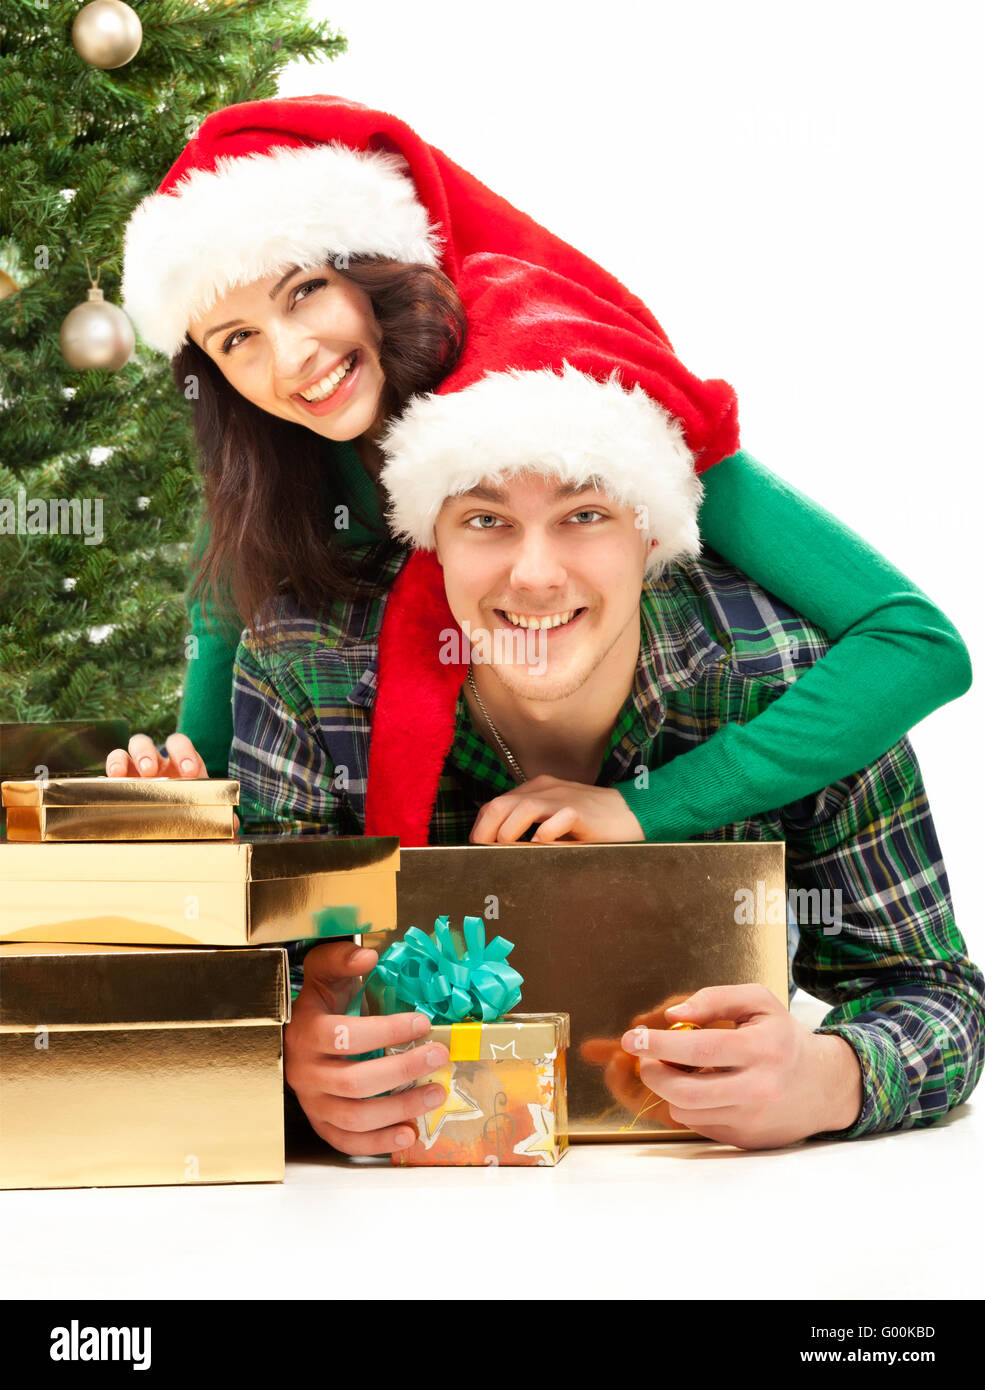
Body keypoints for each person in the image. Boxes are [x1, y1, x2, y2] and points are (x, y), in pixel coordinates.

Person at [107, 94, 971, 853]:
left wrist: (649, 807)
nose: (292, 357)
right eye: (236, 339)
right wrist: (178, 796)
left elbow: (917, 646)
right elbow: (227, 772)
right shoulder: (270, 479)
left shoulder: (578, 393)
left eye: (303, 292)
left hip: (652, 755)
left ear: (377, 265)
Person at [228, 312, 984, 1157]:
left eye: (583, 515)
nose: (536, 574)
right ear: (427, 540)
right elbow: (245, 996)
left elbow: (929, 990)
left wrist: (829, 1076)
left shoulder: (793, 680)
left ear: (651, 535)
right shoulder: (306, 667)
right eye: (484, 520)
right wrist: (288, 1068)